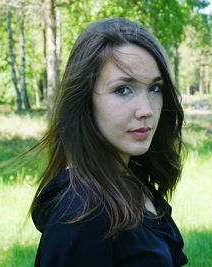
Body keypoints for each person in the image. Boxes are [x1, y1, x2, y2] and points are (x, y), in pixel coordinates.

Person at [30, 18, 188, 267]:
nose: (146, 109)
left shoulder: (133, 181)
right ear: (85, 101)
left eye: (155, 88)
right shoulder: (82, 212)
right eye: (123, 89)